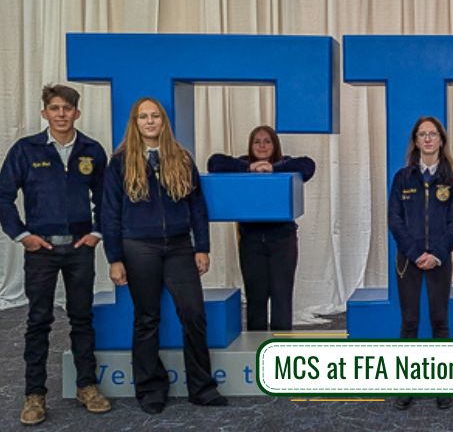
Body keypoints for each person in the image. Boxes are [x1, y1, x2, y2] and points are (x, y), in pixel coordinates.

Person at [102, 97, 226, 414]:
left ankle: (201, 387)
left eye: (155, 115)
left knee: (194, 315)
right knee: (147, 319)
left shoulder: (181, 158)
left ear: (163, 121)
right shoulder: (119, 163)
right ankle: (150, 389)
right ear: (135, 122)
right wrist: (114, 257)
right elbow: (110, 214)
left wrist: (202, 247)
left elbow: (197, 207)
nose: (149, 121)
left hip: (180, 246)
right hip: (138, 247)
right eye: (143, 116)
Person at [0, 84, 111, 425]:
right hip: (42, 251)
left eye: (67, 108)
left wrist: (96, 233)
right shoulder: (25, 149)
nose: (61, 114)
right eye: (55, 108)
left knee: (82, 317)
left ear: (77, 112)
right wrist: (22, 235)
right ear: (44, 112)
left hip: (79, 249)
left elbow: (106, 199)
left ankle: (87, 386)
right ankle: (35, 395)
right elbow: (4, 196)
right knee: (38, 321)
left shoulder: (92, 150)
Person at [388, 116, 453, 410]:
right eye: (422, 134)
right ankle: (406, 386)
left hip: (439, 260)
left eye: (433, 134)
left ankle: (442, 385)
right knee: (409, 322)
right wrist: (414, 252)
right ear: (416, 140)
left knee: (439, 322)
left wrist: (438, 254)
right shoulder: (402, 177)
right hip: (408, 259)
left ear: (441, 140)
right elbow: (395, 220)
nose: (428, 139)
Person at [207, 125, 316, 331]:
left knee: (281, 296)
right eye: (257, 141)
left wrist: (273, 169)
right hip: (251, 242)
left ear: (274, 144)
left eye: (267, 141)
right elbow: (214, 162)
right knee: (255, 297)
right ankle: (256, 349)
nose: (262, 145)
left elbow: (309, 165)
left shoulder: (286, 164)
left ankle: (281, 349)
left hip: (283, 241)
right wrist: (249, 169)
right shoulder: (242, 164)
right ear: (250, 145)